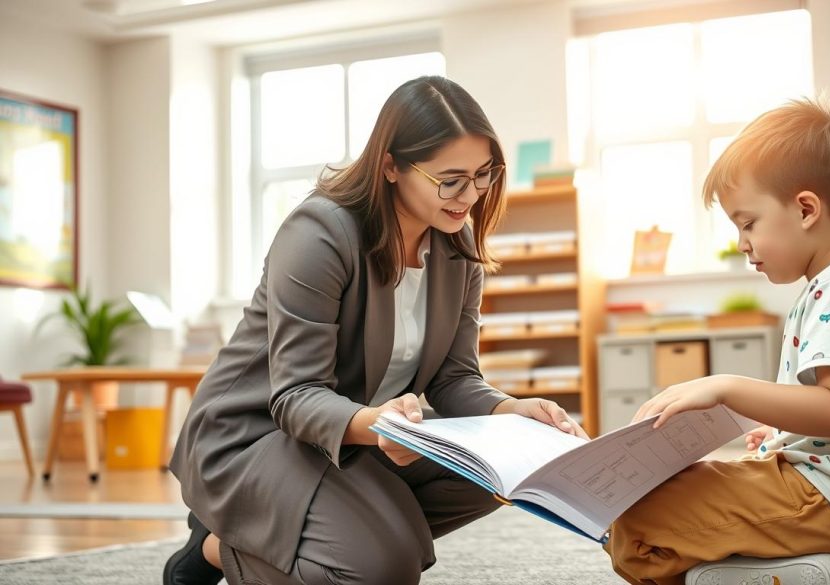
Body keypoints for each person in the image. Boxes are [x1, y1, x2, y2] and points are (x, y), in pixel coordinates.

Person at [164, 75, 587, 585]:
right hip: (256, 436)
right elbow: (296, 394)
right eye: (450, 180)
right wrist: (381, 426)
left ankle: (316, 526)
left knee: (498, 470)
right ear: (391, 165)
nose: (470, 196)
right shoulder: (320, 233)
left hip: (355, 437)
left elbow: (453, 379)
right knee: (382, 569)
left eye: (484, 175)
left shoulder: (456, 246)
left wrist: (511, 412)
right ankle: (215, 549)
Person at [603, 96, 830, 585]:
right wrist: (783, 436)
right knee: (671, 501)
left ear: (805, 209)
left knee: (634, 523)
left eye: (748, 223)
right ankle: (811, 566)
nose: (742, 243)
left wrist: (726, 386)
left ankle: (796, 576)